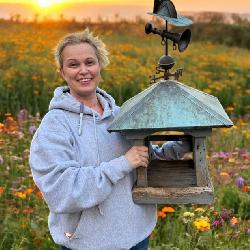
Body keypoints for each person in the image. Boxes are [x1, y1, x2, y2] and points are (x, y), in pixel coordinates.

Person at [29, 29, 190, 250]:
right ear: (62, 72)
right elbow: (63, 191)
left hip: (138, 238)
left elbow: (145, 157)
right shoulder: (55, 126)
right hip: (89, 243)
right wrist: (123, 163)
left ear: (100, 66)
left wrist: (180, 147)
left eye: (90, 62)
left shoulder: (121, 115)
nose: (84, 70)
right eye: (73, 64)